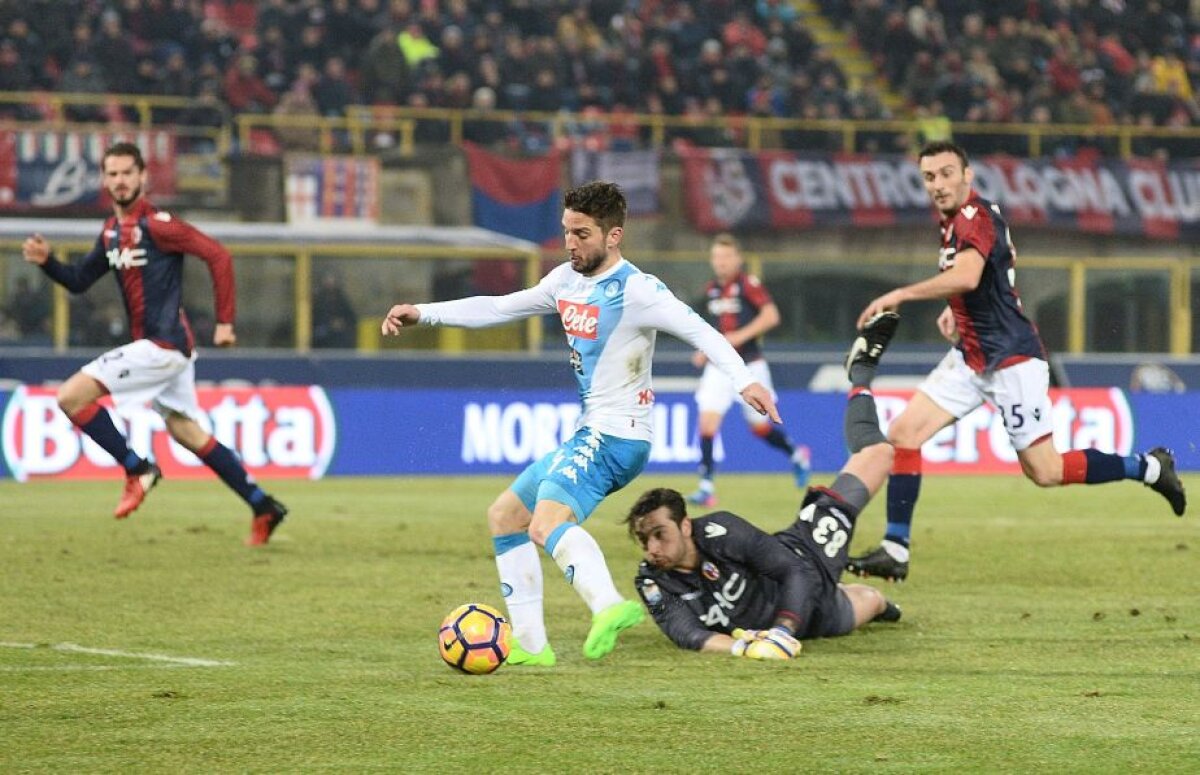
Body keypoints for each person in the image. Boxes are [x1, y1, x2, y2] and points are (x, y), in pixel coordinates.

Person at [382, 181, 781, 664]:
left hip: (618, 437)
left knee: (546, 522)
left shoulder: (639, 290)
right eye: (567, 231)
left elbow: (702, 331)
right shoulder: (564, 281)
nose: (571, 242)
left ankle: (608, 605)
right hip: (590, 432)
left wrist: (744, 381)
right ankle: (532, 647)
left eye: (583, 234)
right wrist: (423, 314)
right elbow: (498, 306)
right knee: (506, 516)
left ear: (614, 236)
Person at [846, 140, 1186, 583]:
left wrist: (900, 294)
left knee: (1046, 471)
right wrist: (959, 306)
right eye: (930, 177)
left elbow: (969, 274)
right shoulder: (959, 223)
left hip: (1012, 361)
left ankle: (1149, 467)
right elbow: (998, 265)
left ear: (967, 175)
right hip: (971, 357)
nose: (939, 184)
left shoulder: (974, 215)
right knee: (904, 434)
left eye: (947, 173)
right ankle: (895, 548)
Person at [22, 142, 288, 547]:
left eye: (127, 172)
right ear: (104, 179)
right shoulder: (112, 232)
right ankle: (262, 504)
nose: (120, 180)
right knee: (187, 432)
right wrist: (47, 263)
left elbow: (218, 255)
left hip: (162, 347)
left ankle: (137, 468)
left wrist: (225, 322)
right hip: (166, 350)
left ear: (143, 176)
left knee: (71, 397)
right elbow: (79, 281)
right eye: (112, 174)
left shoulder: (158, 225)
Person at [626, 312, 904, 658]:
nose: (651, 548)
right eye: (644, 539)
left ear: (685, 525)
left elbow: (791, 570)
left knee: (879, 454)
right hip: (815, 616)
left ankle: (860, 371)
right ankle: (861, 596)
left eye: (659, 535)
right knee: (872, 601)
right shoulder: (653, 580)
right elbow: (687, 634)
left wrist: (782, 633)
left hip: (805, 558)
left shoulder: (719, 530)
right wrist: (743, 647)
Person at [688, 233, 811, 508]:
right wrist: (705, 350)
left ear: (738, 259)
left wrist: (738, 337)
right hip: (719, 367)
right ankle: (706, 487)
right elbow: (715, 331)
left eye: (726, 257)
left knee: (759, 427)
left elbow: (771, 316)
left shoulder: (748, 285)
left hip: (750, 365)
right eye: (716, 257)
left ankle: (796, 454)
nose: (720, 262)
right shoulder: (712, 290)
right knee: (707, 422)